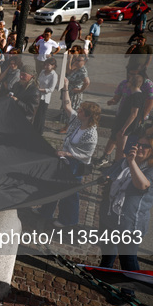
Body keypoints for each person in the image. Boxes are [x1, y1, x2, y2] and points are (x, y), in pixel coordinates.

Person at [99, 135, 153, 298]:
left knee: (128, 260)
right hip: (110, 217)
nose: (139, 147)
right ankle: (104, 275)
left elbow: (142, 185)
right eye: (138, 144)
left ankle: (128, 292)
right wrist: (105, 178)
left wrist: (132, 162)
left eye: (145, 146)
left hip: (130, 224)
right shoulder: (123, 162)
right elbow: (108, 173)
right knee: (107, 250)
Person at [39, 86, 100, 227]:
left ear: (88, 115)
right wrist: (66, 87)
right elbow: (67, 105)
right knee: (54, 185)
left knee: (69, 193)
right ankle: (46, 211)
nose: (78, 111)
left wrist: (67, 153)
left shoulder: (91, 134)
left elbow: (86, 156)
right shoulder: (77, 121)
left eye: (82, 110)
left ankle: (68, 220)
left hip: (76, 165)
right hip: (66, 160)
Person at [59, 55, 90, 132]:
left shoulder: (83, 70)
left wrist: (80, 90)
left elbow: (87, 82)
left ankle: (68, 128)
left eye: (79, 61)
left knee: (71, 109)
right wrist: (70, 60)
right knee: (66, 108)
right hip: (69, 91)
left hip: (74, 94)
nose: (76, 61)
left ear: (84, 62)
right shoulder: (77, 68)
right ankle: (66, 126)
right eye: (76, 60)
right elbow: (69, 71)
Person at [33, 57, 59, 134]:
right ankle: (34, 128)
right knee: (36, 113)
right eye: (45, 65)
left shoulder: (54, 75)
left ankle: (39, 131)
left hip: (44, 97)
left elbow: (51, 89)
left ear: (53, 66)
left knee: (41, 114)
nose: (46, 66)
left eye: (48, 65)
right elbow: (38, 80)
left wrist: (40, 89)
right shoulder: (43, 71)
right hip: (37, 95)